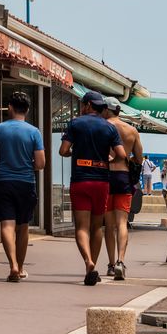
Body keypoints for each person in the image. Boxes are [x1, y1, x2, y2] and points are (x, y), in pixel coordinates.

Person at [59, 90, 126, 286]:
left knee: (81, 227)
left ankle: (88, 262)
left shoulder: (75, 123)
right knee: (97, 226)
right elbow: (122, 155)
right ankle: (94, 265)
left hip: (80, 180)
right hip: (102, 182)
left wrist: (75, 153)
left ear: (88, 105)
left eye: (82, 104)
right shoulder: (109, 128)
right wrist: (108, 159)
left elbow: (63, 150)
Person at [0, 92, 45, 282]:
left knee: (7, 225)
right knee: (23, 226)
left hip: (3, 181)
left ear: (10, 107)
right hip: (26, 183)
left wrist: (1, 165)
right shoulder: (34, 132)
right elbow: (41, 163)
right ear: (26, 110)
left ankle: (13, 266)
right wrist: (27, 166)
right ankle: (21, 266)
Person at [101, 97, 142, 281]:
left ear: (107, 110)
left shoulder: (103, 127)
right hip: (124, 177)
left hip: (106, 176)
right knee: (122, 223)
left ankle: (110, 264)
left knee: (108, 225)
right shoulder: (131, 130)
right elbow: (139, 159)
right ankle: (120, 261)